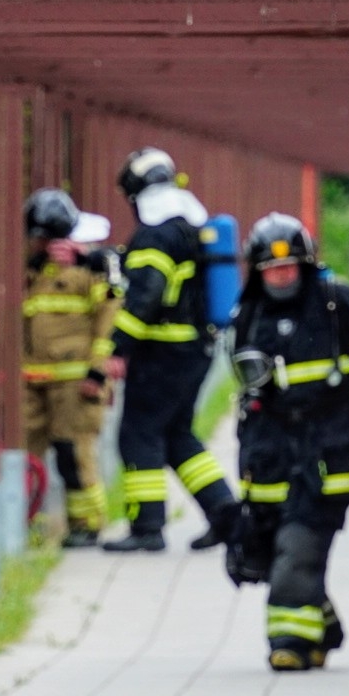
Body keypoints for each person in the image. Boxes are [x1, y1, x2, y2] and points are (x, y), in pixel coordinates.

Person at [225, 212, 349, 671]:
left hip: (331, 445)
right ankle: (324, 630)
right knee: (269, 547)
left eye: (290, 267)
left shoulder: (336, 303)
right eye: (273, 270)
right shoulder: (248, 313)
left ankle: (290, 642)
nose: (282, 276)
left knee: (300, 543)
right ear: (258, 271)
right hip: (272, 450)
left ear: (306, 265)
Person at [102, 147, 238, 553]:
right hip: (194, 350)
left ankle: (147, 528)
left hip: (161, 354)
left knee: (138, 435)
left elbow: (144, 296)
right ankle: (226, 514)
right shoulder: (187, 227)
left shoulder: (155, 234)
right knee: (178, 437)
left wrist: (117, 348)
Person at [19, 188, 120, 547]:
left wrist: (97, 371)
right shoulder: (34, 272)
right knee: (24, 455)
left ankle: (87, 523)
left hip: (75, 382)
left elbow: (109, 318)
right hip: (32, 378)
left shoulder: (89, 269)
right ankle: (27, 522)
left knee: (73, 453)